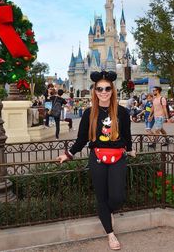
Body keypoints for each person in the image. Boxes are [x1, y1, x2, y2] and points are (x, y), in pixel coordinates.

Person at [57, 70, 135, 250]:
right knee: (101, 197)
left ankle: (108, 212)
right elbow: (82, 139)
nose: (104, 92)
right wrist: (69, 154)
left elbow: (127, 135)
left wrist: (129, 150)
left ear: (112, 90)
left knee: (117, 196)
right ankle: (110, 234)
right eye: (100, 89)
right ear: (95, 91)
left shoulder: (122, 112)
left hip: (117, 157)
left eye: (107, 88)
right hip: (97, 157)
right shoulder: (89, 113)